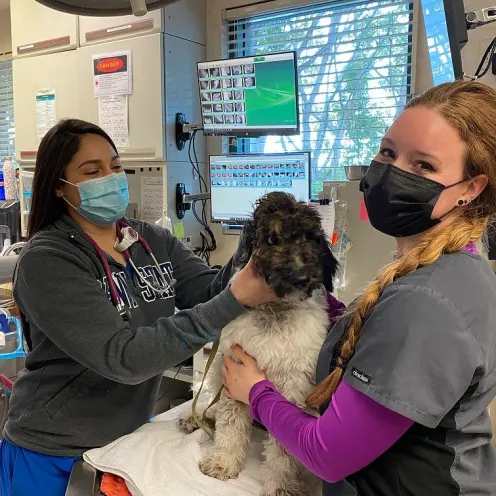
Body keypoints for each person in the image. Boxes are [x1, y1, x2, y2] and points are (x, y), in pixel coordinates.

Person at [222, 81, 496, 496]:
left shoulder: (425, 302)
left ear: (471, 188)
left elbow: (327, 453)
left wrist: (255, 392)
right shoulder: (455, 269)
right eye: (388, 153)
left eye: (423, 165)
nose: (393, 173)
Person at [0, 119, 276, 496]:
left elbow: (209, 290)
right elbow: (124, 358)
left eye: (115, 166)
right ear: (59, 187)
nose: (111, 177)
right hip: (54, 448)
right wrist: (235, 300)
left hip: (126, 436)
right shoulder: (48, 261)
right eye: (92, 171)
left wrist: (253, 242)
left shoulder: (148, 241)